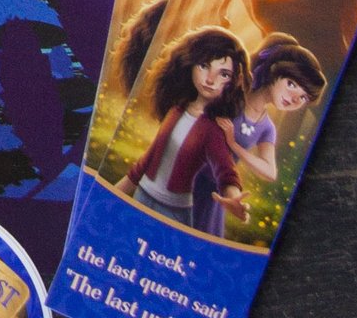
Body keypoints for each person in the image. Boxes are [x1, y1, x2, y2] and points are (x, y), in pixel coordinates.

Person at [119, 28, 249, 232]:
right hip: (142, 195)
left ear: (234, 82)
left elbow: (226, 170)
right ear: (190, 63)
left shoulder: (212, 129)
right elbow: (149, 158)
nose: (210, 80)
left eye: (223, 74)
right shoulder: (176, 110)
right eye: (204, 66)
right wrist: (117, 190)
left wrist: (233, 198)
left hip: (173, 211)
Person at [222, 33, 327, 189]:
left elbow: (270, 173)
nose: (295, 99)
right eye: (291, 84)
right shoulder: (232, 92)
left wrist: (234, 145)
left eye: (304, 97)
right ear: (274, 71)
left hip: (217, 186)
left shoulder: (266, 127)